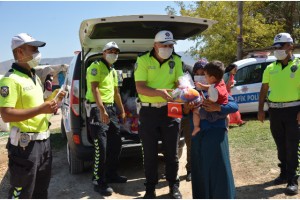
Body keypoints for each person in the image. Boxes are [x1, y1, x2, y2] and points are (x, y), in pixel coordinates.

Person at [0, 33, 65, 198]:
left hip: (44, 143)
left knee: (41, 192)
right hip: (24, 147)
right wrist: (41, 109)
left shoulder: (34, 77)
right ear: (20, 52)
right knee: (22, 193)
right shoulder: (10, 80)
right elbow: (6, 115)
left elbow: (38, 107)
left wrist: (52, 99)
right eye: (33, 49)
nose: (38, 53)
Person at [134, 30, 183, 199]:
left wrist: (185, 92)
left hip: (171, 108)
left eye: (170, 45)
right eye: (164, 45)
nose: (168, 48)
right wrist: (159, 92)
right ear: (155, 45)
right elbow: (140, 87)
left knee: (172, 151)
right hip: (148, 111)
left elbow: (180, 83)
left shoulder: (176, 60)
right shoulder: (143, 60)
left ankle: (173, 186)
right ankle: (150, 188)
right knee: (149, 152)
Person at [258, 32, 300, 195]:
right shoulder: (270, 67)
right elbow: (264, 89)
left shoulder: (298, 64)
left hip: (293, 111)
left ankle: (292, 180)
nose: (277, 50)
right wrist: (261, 109)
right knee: (280, 145)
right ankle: (283, 174)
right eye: (275, 47)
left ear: (290, 46)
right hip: (275, 111)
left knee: (292, 145)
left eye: (280, 46)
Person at [85, 41, 127, 196]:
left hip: (111, 109)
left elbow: (116, 92)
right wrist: (102, 109)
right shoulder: (95, 66)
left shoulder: (113, 70)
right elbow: (94, 88)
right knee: (101, 148)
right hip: (98, 109)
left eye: (116, 52)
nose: (113, 54)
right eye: (110, 51)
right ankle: (98, 181)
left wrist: (122, 111)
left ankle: (111, 174)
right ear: (104, 52)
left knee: (116, 144)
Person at [189, 94, 238, 198]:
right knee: (201, 169)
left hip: (217, 136)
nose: (201, 78)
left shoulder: (217, 90)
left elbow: (234, 106)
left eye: (204, 76)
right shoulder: (190, 93)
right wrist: (186, 107)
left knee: (220, 168)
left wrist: (218, 107)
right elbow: (181, 112)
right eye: (198, 76)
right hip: (198, 137)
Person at [180, 59, 208, 182]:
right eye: (198, 73)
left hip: (208, 120)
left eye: (203, 73)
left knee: (206, 145)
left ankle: (206, 169)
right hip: (189, 122)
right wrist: (187, 108)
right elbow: (184, 112)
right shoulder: (187, 88)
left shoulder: (212, 86)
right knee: (191, 146)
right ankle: (191, 170)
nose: (200, 76)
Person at [192, 61, 228, 136]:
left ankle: (196, 127)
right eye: (197, 74)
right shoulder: (221, 83)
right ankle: (227, 125)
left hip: (212, 113)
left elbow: (212, 100)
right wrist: (202, 86)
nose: (203, 77)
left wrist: (205, 102)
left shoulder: (213, 89)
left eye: (204, 75)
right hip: (223, 113)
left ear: (212, 78)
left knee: (196, 111)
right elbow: (211, 87)